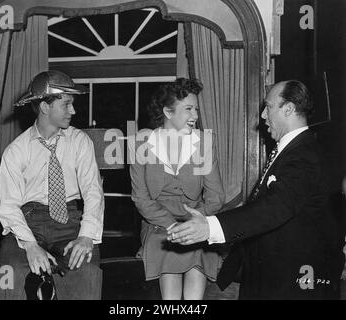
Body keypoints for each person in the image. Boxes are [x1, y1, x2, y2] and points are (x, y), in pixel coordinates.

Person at [167, 80, 344, 299]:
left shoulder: (304, 155)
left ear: (288, 109)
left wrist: (210, 227)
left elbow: (275, 206)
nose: (262, 115)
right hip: (271, 277)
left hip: (291, 283)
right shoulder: (292, 150)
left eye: (268, 106)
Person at [0, 70, 104, 300]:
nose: (73, 111)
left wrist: (86, 236)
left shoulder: (80, 142)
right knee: (10, 274)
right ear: (45, 107)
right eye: (66, 105)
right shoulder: (16, 151)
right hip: (27, 223)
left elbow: (93, 191)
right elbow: (9, 206)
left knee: (88, 271)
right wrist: (30, 246)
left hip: (70, 222)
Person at [129, 78, 225, 300]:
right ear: (168, 112)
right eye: (188, 109)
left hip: (197, 221)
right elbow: (141, 199)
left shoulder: (204, 143)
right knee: (170, 292)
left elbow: (216, 196)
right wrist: (172, 226)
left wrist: (197, 222)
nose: (195, 116)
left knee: (196, 257)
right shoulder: (141, 144)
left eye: (196, 109)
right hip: (159, 225)